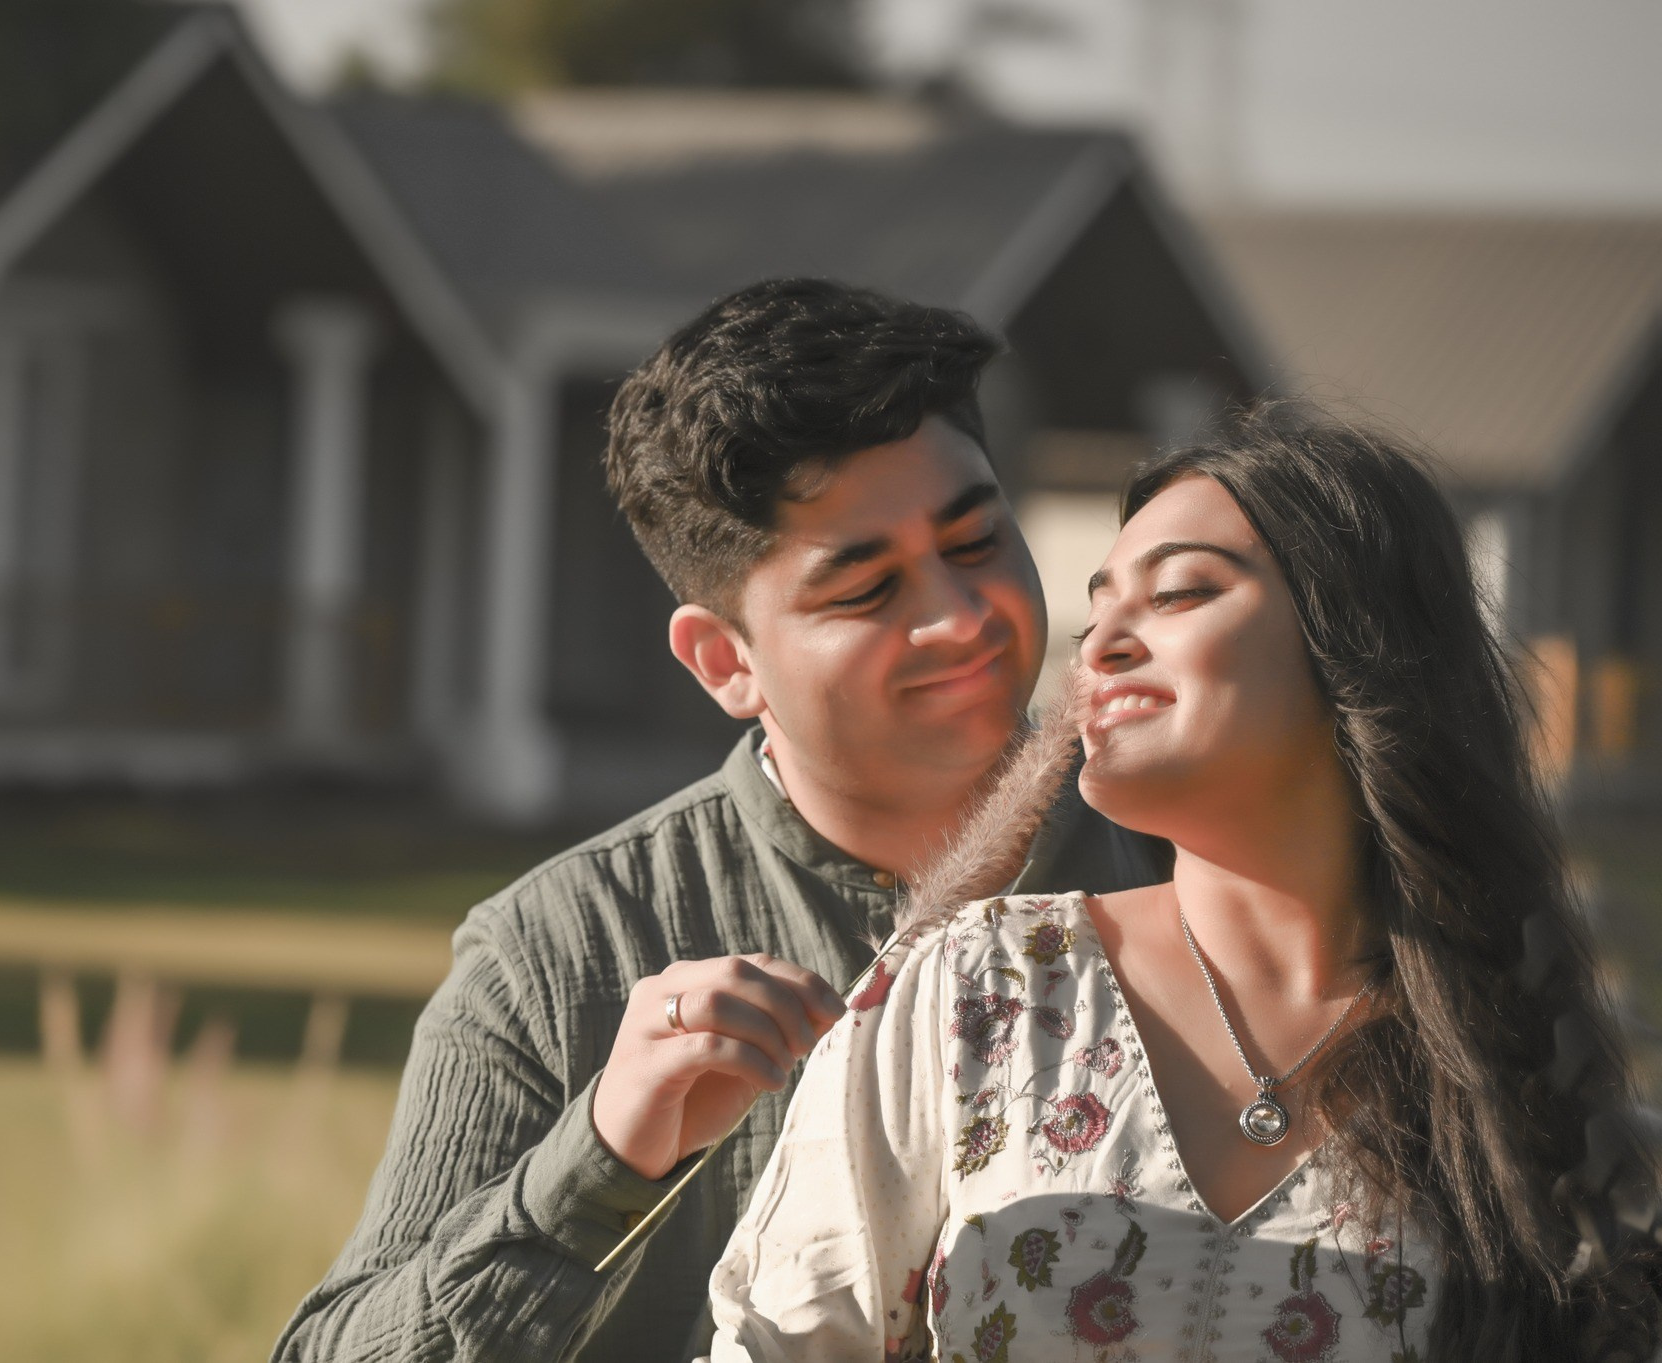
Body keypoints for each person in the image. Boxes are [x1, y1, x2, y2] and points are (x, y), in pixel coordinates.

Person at [274, 279, 1168, 1363]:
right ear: (723, 660)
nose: (959, 614)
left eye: (974, 540)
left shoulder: (1201, 862)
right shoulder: (561, 959)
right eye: (865, 590)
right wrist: (605, 1151)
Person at [706, 410, 1662, 1362]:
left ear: (1356, 639)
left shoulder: (1515, 1076)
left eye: (1179, 593)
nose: (1103, 644)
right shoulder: (980, 988)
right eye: (1100, 604)